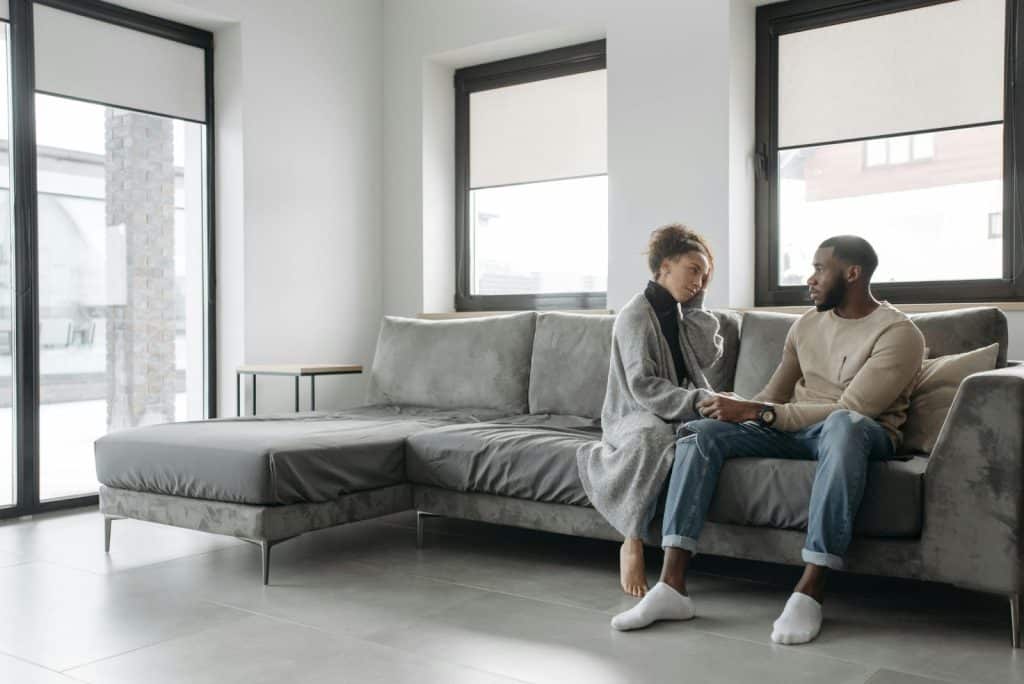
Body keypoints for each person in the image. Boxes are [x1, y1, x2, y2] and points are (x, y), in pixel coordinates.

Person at [609, 235, 925, 645]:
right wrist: (738, 410)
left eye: (819, 269)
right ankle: (672, 586)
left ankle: (810, 590)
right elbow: (773, 395)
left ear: (852, 273)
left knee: (844, 425)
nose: (810, 279)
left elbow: (855, 408)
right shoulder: (806, 325)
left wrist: (761, 413)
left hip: (862, 434)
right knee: (701, 432)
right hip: (796, 429)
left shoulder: (899, 333)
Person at [578, 223, 724, 598]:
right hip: (631, 415)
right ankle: (632, 539)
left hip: (671, 410)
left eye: (705, 275)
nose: (699, 281)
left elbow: (707, 356)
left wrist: (695, 306)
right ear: (665, 266)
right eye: (693, 270)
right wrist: (696, 402)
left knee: (711, 432)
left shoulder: (678, 312)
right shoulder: (635, 315)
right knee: (652, 436)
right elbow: (642, 385)